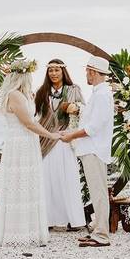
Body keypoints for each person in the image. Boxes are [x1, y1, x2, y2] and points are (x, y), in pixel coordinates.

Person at [0, 59, 60, 247]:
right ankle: (17, 232)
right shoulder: (15, 96)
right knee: (17, 185)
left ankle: (30, 230)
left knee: (28, 185)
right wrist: (50, 135)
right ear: (22, 76)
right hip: (20, 145)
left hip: (27, 143)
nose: (30, 78)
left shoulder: (23, 95)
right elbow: (28, 123)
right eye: (28, 75)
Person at [60, 56, 114, 248]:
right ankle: (98, 229)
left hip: (95, 149)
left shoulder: (101, 95)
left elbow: (94, 127)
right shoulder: (99, 93)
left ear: (93, 72)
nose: (86, 75)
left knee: (98, 193)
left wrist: (72, 136)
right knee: (96, 191)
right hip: (92, 148)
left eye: (87, 71)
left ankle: (102, 235)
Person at [34, 59, 86, 230]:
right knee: (47, 179)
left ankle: (73, 219)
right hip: (46, 140)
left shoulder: (73, 90)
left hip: (65, 139)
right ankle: (47, 220)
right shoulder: (41, 92)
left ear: (63, 72)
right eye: (51, 71)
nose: (54, 73)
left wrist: (75, 108)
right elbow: (36, 116)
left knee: (67, 178)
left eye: (57, 70)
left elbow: (85, 111)